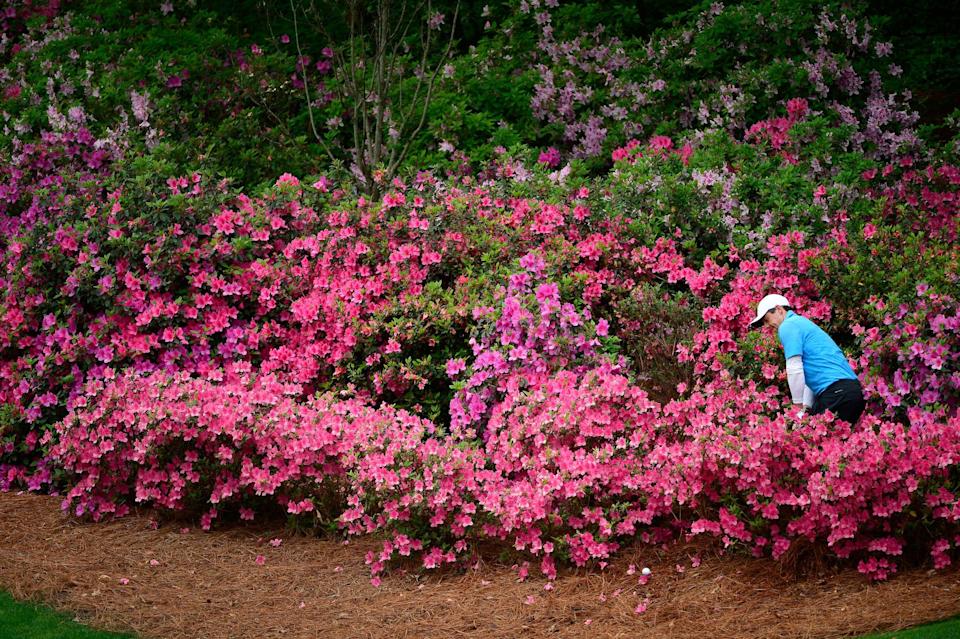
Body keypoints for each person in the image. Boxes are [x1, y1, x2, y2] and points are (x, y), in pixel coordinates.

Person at [749, 294, 865, 424]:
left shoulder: (788, 325)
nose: (767, 325)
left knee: (810, 437)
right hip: (852, 392)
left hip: (836, 393)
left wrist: (797, 407)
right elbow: (811, 377)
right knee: (829, 440)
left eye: (766, 319)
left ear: (779, 309)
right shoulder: (802, 323)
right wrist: (806, 408)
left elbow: (794, 368)